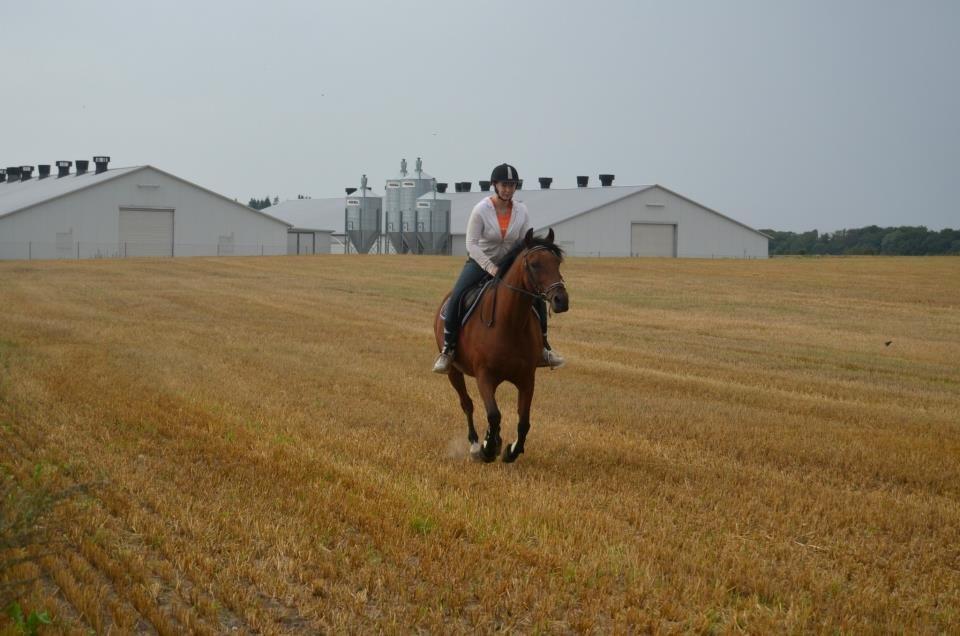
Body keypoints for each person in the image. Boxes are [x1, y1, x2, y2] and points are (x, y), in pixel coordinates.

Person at [433, 163, 565, 374]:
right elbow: (471, 244)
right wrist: (490, 267)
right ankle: (448, 350)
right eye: (504, 185)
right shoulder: (481, 210)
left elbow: (524, 242)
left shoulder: (522, 210)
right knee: (457, 295)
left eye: (512, 185)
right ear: (495, 185)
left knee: (537, 297)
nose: (508, 189)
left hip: (510, 264)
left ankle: (543, 349)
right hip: (480, 262)